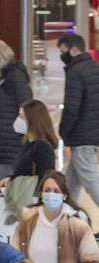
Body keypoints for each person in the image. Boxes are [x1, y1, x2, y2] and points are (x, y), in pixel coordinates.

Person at [0, 40, 32, 183]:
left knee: (8, 184)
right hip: (3, 139)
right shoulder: (3, 78)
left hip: (12, 141)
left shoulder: (14, 76)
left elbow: (27, 106)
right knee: (4, 182)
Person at [58, 33, 99, 211]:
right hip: (91, 135)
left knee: (92, 184)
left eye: (63, 51)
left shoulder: (76, 72)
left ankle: (67, 217)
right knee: (70, 184)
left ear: (74, 50)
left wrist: (63, 133)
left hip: (81, 138)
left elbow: (71, 109)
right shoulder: (95, 67)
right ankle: (67, 217)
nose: (62, 56)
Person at [1, 99, 58, 196]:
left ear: (33, 120)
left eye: (22, 117)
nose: (18, 120)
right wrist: (11, 178)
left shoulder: (42, 148)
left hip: (30, 201)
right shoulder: (28, 143)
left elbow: (44, 180)